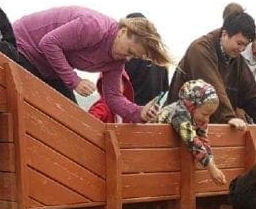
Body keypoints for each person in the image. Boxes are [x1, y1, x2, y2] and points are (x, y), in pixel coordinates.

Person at [12, 6, 168, 123]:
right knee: (33, 113)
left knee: (73, 121)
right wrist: (75, 82)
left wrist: (139, 112)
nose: (127, 59)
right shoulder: (93, 27)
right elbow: (48, 43)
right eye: (129, 51)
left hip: (50, 69)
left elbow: (113, 97)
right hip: (25, 48)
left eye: (133, 56)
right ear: (122, 32)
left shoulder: (116, 60)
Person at [167, 5, 256, 130]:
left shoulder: (236, 58)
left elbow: (251, 92)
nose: (242, 49)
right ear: (224, 34)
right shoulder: (200, 49)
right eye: (239, 43)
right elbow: (212, 88)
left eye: (245, 45)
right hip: (181, 127)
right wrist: (228, 117)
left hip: (209, 129)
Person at [156, 79, 226, 185]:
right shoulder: (178, 113)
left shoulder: (198, 118)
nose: (207, 119)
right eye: (204, 114)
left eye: (209, 115)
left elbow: (204, 140)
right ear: (192, 106)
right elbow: (192, 140)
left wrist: (212, 163)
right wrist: (211, 169)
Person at [123, 11, 169, 105]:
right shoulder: (158, 56)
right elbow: (164, 88)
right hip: (151, 113)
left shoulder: (131, 54)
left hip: (129, 113)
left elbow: (119, 86)